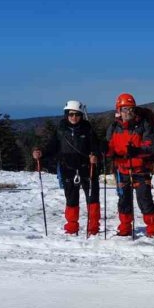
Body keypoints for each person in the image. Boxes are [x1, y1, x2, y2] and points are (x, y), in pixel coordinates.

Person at [32, 100, 102, 236]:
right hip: (68, 168)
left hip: (87, 168)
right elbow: (52, 147)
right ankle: (71, 228)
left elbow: (96, 147)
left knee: (93, 198)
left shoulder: (88, 129)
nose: (74, 117)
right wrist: (41, 153)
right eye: (71, 114)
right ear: (66, 114)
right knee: (71, 199)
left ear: (81, 115)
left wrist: (96, 157)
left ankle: (93, 228)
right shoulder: (60, 130)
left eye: (77, 114)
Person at [106, 93, 154, 238]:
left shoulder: (143, 125)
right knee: (124, 200)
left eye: (131, 109)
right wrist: (106, 150)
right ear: (119, 110)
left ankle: (153, 229)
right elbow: (109, 146)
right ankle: (124, 227)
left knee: (145, 200)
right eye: (125, 109)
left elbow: (150, 146)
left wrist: (137, 150)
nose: (128, 112)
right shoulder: (114, 127)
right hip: (122, 170)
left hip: (140, 170)